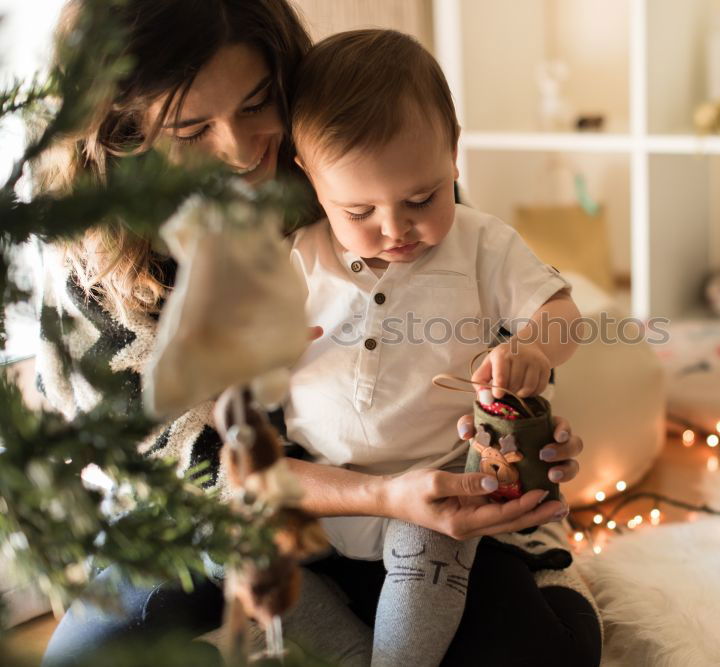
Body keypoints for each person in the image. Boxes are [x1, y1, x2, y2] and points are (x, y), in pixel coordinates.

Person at [34, 1, 593, 665]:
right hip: (223, 518)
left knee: (545, 647)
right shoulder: (92, 259)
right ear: (124, 135)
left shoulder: (369, 162)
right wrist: (377, 495)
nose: (241, 150)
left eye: (256, 103)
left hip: (425, 499)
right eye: (191, 129)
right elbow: (187, 468)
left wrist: (522, 417)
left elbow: (493, 318)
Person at [285, 28, 584, 667]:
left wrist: (533, 347)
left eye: (421, 199)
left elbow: (563, 313)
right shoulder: (297, 258)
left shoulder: (480, 243)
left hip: (441, 492)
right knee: (238, 561)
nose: (395, 230)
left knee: (437, 565)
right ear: (310, 180)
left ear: (454, 157)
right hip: (321, 491)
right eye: (359, 211)